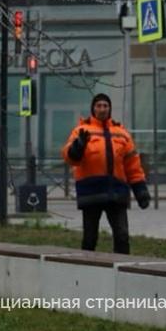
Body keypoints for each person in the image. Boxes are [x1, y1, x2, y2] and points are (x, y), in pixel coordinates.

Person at [61, 93, 149, 253]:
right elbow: (69, 157)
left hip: (117, 192)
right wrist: (78, 147)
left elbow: (133, 165)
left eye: (105, 106)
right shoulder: (81, 131)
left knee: (122, 235)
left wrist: (141, 190)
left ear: (110, 109)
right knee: (90, 238)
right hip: (91, 192)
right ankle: (87, 269)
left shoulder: (121, 133)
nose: (102, 109)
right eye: (98, 106)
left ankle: (122, 270)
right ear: (93, 109)